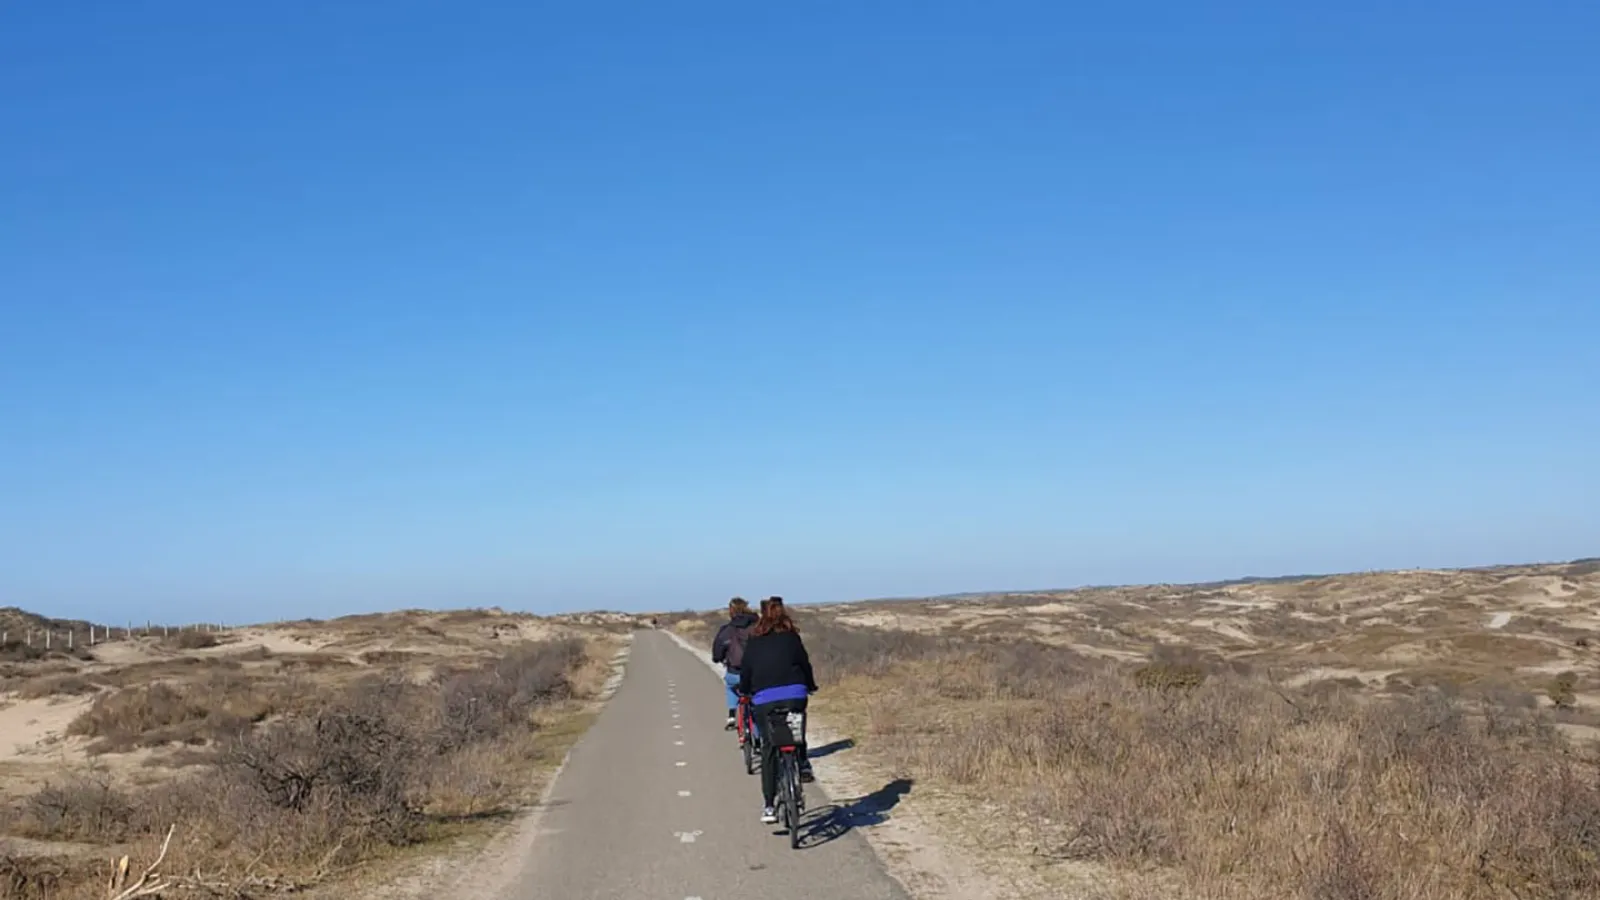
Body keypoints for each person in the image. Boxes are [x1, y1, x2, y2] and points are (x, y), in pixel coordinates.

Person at [738, 596, 818, 824]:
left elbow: (746, 672)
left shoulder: (754, 641)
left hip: (765, 700)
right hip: (795, 693)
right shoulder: (792, 638)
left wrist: (745, 692)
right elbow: (805, 664)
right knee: (796, 727)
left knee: (769, 748)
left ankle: (770, 806)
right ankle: (802, 762)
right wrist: (809, 686)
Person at [710, 597, 757, 729]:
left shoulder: (726, 630)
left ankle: (731, 715)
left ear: (731, 610)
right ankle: (758, 738)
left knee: (731, 687)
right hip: (755, 673)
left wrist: (718, 658)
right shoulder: (756, 627)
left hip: (734, 672)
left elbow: (717, 651)